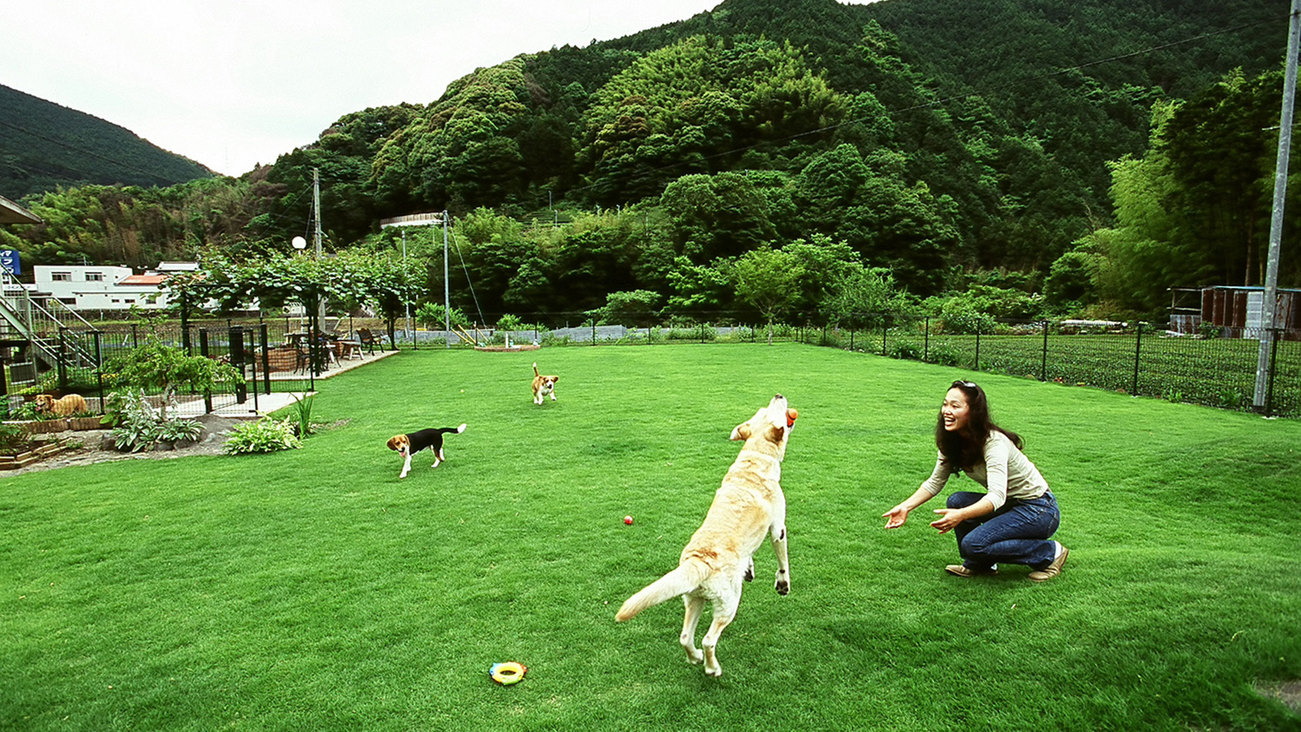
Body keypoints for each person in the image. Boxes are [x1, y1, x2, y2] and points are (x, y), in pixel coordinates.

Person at [882, 380, 1068, 581]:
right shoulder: (952, 441)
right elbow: (935, 482)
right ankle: (981, 565)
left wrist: (961, 515)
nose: (946, 411)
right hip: (1011, 505)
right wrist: (905, 507)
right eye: (945, 404)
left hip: (1039, 510)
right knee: (957, 501)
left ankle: (1050, 553)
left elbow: (996, 496)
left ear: (973, 412)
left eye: (955, 406)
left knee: (973, 543)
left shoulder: (994, 443)